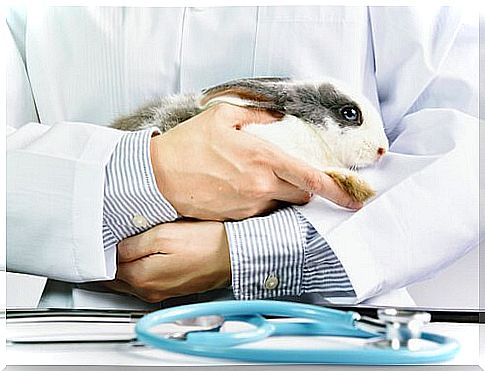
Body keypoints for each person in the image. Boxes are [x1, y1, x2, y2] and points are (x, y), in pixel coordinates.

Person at [6, 5, 479, 308]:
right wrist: (150, 176)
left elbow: (467, 144)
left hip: (322, 324)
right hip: (91, 322)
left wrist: (253, 251)